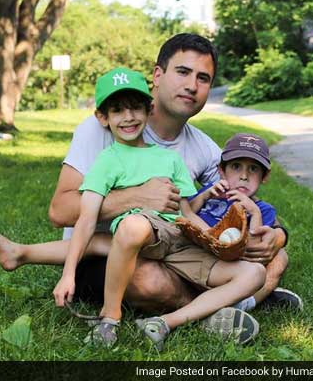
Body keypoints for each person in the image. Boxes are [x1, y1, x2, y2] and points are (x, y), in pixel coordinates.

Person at [0, 34, 299, 341]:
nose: (192, 85)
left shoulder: (203, 148)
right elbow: (60, 211)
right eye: (183, 72)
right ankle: (234, 304)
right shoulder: (102, 129)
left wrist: (277, 234)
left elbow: (240, 200)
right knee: (149, 279)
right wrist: (135, 196)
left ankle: (227, 302)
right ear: (157, 75)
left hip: (170, 247)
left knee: (279, 256)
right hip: (108, 256)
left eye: (203, 78)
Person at [32, 66, 263, 349]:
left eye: (135, 108)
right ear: (103, 117)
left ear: (148, 109)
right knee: (133, 226)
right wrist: (68, 275)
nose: (128, 117)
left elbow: (186, 213)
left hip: (177, 241)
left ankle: (165, 323)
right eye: (117, 110)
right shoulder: (106, 161)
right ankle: (110, 319)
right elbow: (86, 219)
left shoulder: (170, 159)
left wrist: (216, 239)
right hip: (142, 240)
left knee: (254, 274)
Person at [188, 133, 300, 311]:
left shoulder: (263, 209)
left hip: (230, 268)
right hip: (195, 258)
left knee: (278, 260)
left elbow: (256, 250)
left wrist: (254, 212)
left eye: (253, 169)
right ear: (221, 170)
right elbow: (184, 213)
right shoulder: (211, 191)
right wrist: (204, 195)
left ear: (265, 176)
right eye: (236, 166)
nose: (244, 176)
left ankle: (244, 305)